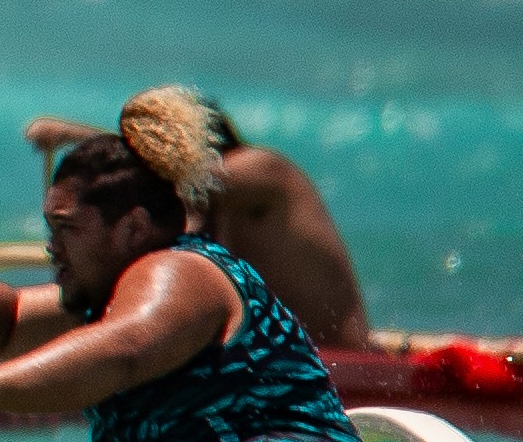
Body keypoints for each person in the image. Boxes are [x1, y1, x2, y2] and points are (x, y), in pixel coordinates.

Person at [0, 87, 384, 442]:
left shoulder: (181, 272)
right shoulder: (108, 294)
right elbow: (6, 325)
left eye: (66, 228)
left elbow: (125, 349)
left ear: (132, 227)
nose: (51, 248)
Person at [20, 98, 371, 349]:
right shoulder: (214, 206)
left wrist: (74, 134)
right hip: (290, 355)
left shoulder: (262, 170)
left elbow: (179, 174)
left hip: (343, 357)